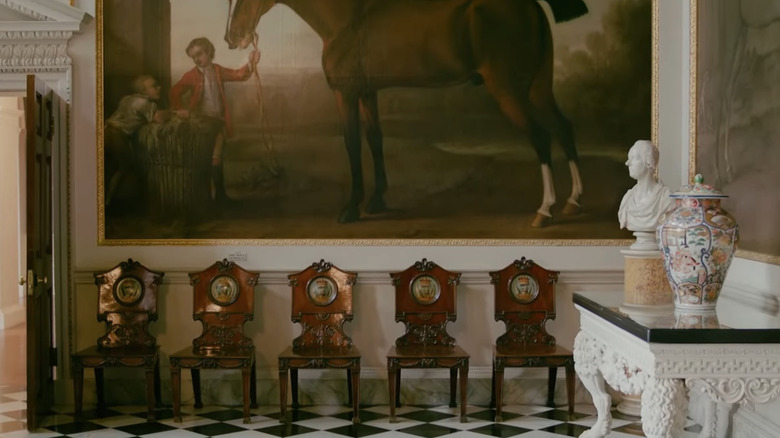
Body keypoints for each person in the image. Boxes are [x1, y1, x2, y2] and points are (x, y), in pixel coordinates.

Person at [170, 37, 261, 204]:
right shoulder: (191, 75)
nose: (197, 59)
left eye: (199, 54)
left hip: (217, 121)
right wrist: (180, 109)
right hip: (200, 122)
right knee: (202, 157)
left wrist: (250, 62)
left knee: (217, 156)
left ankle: (219, 196)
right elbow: (174, 92)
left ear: (209, 52)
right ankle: (204, 197)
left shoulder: (218, 70)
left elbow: (239, 75)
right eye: (193, 57)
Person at [104, 75, 181, 210]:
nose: (159, 88)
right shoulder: (146, 103)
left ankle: (106, 201)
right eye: (154, 86)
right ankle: (109, 202)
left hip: (104, 131)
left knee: (110, 166)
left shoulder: (127, 98)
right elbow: (160, 119)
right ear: (144, 91)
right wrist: (177, 113)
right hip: (116, 135)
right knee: (126, 166)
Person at [618, 140, 674, 232]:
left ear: (649, 162)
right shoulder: (627, 199)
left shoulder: (666, 198)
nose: (627, 163)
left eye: (633, 158)